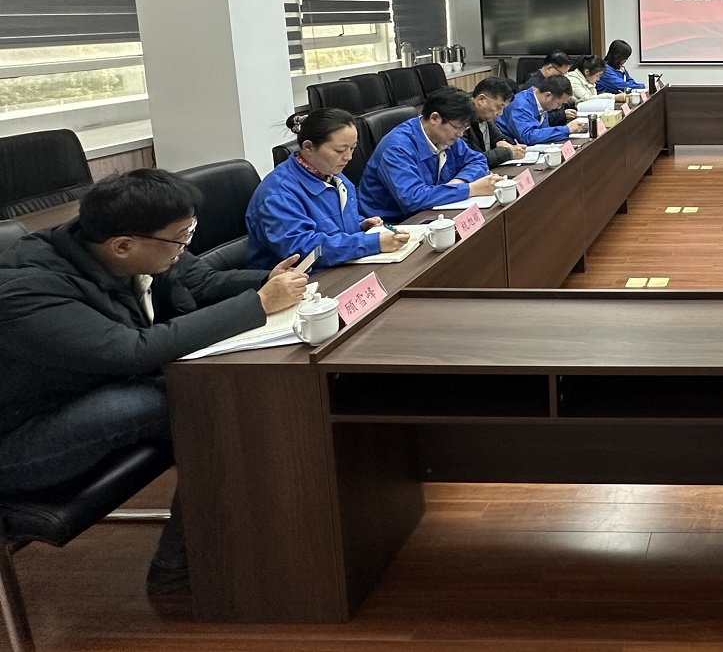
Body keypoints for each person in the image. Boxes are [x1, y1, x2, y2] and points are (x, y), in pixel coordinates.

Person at [0, 169, 309, 594]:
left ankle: (242, 533)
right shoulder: (26, 289)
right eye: (181, 238)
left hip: (84, 397)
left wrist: (270, 283)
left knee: (216, 397)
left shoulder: (135, 242)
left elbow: (202, 282)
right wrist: (257, 306)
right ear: (123, 246)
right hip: (19, 444)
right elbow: (131, 350)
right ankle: (187, 564)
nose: (186, 247)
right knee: (200, 400)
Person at [246, 109, 410, 270]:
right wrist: (371, 243)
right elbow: (303, 250)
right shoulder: (278, 194)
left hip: (341, 267)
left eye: (352, 148)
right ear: (308, 147)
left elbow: (334, 227)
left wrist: (360, 225)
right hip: (304, 280)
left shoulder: (334, 177)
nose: (348, 157)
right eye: (340, 150)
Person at [357, 87, 496, 221]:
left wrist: (459, 182)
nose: (460, 134)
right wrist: (470, 189)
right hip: (392, 222)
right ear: (434, 118)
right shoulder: (397, 148)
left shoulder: (446, 137)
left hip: (431, 210)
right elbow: (412, 198)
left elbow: (477, 160)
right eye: (458, 127)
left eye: (464, 128)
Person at [500, 73, 589, 145]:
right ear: (548, 95)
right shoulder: (520, 105)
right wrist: (566, 129)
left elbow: (543, 132)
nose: (559, 107)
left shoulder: (539, 102)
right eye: (559, 103)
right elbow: (528, 137)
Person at [465, 77, 526, 168]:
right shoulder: (461, 121)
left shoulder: (484, 116)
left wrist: (502, 142)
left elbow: (498, 136)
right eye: (499, 107)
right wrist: (507, 153)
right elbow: (469, 160)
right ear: (481, 100)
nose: (500, 113)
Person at [525, 50, 579, 125]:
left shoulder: (554, 82)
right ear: (549, 68)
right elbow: (537, 117)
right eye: (562, 74)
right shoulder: (533, 87)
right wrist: (562, 115)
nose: (563, 77)